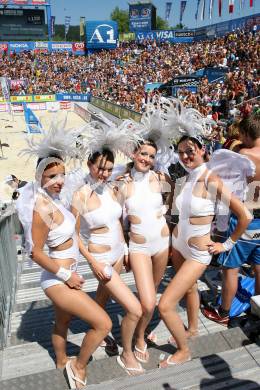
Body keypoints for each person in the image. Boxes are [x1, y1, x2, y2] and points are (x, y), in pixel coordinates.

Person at [157, 103, 252, 368]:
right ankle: (193, 329)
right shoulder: (185, 180)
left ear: (202, 150)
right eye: (181, 153)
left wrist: (227, 244)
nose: (186, 156)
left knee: (165, 305)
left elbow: (244, 215)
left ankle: (184, 350)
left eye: (191, 151)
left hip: (199, 251)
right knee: (188, 289)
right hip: (179, 247)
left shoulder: (211, 179)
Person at [18, 125, 112, 389]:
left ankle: (61, 360)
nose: (58, 180)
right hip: (58, 279)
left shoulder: (56, 200)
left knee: (63, 321)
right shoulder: (43, 208)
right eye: (51, 176)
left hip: (66, 275)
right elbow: (34, 251)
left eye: (61, 174)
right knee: (103, 323)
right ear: (39, 178)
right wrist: (66, 275)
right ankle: (78, 366)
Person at [71, 120, 144, 376]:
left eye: (108, 169)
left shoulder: (111, 188)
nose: (103, 173)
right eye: (100, 168)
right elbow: (74, 234)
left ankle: (100, 331)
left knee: (102, 296)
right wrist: (92, 262)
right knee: (135, 308)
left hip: (117, 254)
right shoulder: (79, 195)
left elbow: (117, 222)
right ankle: (127, 353)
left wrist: (124, 251)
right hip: (100, 258)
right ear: (90, 165)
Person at [120, 103, 174, 364]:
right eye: (143, 154)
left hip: (162, 244)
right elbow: (119, 222)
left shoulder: (160, 177)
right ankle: (133, 340)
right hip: (139, 248)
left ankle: (141, 333)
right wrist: (124, 250)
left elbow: (169, 203)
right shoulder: (122, 183)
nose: (147, 159)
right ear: (133, 153)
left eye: (151, 156)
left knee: (152, 294)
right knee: (149, 301)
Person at [202, 112, 260, 325]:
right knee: (259, 266)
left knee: (231, 270)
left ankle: (224, 313)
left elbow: (219, 173)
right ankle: (256, 309)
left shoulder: (244, 153)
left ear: (246, 133)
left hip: (245, 217)